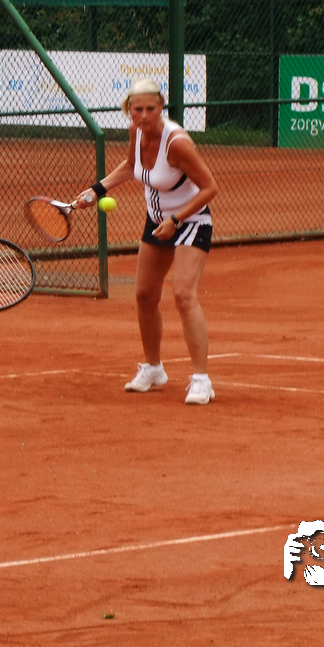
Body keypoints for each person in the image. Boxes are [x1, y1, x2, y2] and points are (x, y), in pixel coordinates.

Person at [73, 78, 220, 405]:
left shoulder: (177, 143)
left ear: (161, 107)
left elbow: (210, 187)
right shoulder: (136, 133)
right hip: (157, 222)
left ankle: (201, 380)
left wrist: (176, 219)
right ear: (129, 110)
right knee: (144, 296)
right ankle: (153, 369)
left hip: (190, 221)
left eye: (150, 109)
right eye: (137, 109)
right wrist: (97, 190)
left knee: (183, 295)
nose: (143, 115)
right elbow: (131, 166)